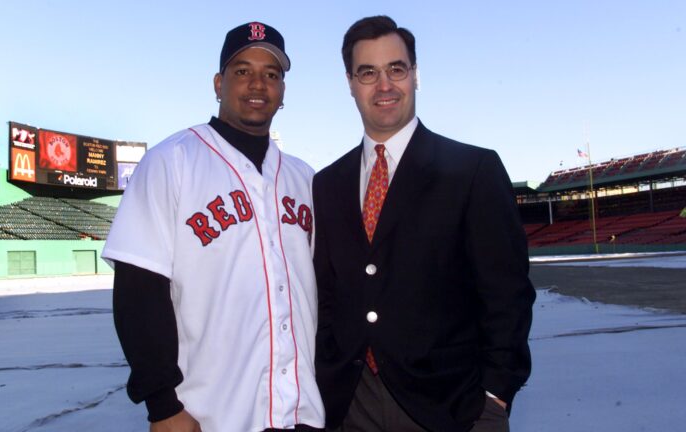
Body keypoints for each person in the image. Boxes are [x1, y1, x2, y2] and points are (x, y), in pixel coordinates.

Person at [312, 16, 535, 432]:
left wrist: (494, 397)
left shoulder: (473, 170)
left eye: (396, 69)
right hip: (348, 405)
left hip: (450, 407)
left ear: (415, 75)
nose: (384, 85)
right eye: (368, 73)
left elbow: (508, 295)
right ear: (349, 82)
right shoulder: (326, 184)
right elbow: (327, 295)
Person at [102, 21, 324, 432]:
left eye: (271, 74)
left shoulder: (305, 178)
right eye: (243, 71)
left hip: (303, 414)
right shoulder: (172, 162)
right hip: (209, 416)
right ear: (218, 83)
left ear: (283, 91)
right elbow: (138, 291)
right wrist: (162, 404)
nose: (257, 84)